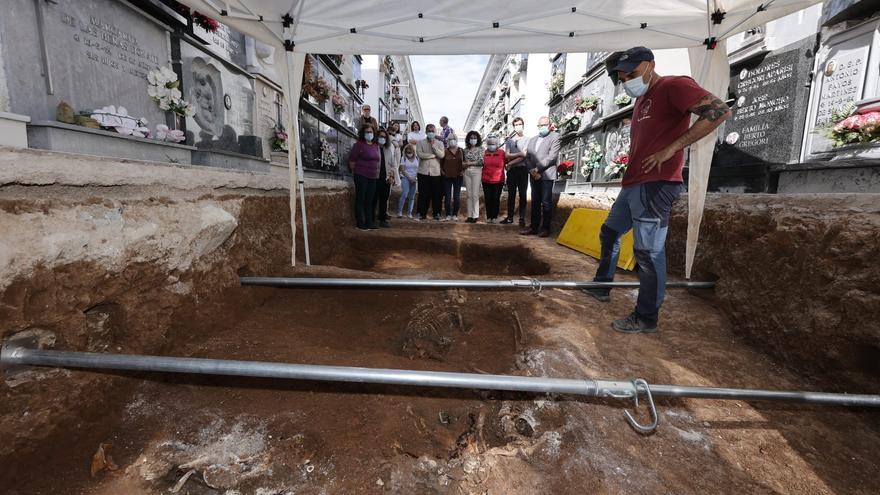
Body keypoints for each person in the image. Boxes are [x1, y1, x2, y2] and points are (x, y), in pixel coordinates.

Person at [585, 46, 731, 334]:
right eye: (623, 76)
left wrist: (673, 147)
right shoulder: (641, 100)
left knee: (648, 252)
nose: (627, 80)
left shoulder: (673, 85)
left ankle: (646, 316)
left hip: (657, 184)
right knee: (610, 232)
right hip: (633, 185)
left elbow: (719, 111)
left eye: (632, 73)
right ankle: (602, 286)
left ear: (650, 65)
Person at [521, 116, 560, 238]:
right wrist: (531, 171)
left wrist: (537, 169)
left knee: (546, 202)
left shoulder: (555, 137)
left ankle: (545, 228)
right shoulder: (532, 140)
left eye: (544, 125)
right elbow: (527, 157)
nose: (542, 127)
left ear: (549, 125)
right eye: (540, 125)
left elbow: (552, 156)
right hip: (533, 175)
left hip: (546, 175)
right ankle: (534, 227)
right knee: (535, 202)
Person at [348, 124, 381, 230]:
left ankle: (369, 222)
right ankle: (360, 222)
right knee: (361, 199)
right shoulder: (359, 145)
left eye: (371, 132)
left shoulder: (375, 146)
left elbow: (377, 160)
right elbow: (352, 160)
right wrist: (355, 172)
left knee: (369, 200)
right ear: (363, 133)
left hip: (373, 176)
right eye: (367, 132)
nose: (369, 134)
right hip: (361, 175)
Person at [502, 117, 529, 227]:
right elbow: (507, 155)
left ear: (523, 125)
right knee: (511, 195)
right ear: (513, 127)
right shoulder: (510, 141)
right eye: (516, 125)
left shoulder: (528, 140)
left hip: (522, 170)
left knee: (523, 194)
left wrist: (510, 163)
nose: (518, 126)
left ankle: (522, 218)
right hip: (512, 171)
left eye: (520, 124)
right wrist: (519, 154)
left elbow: (525, 156)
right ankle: (509, 217)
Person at [415, 123, 445, 220]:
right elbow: (420, 154)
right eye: (429, 131)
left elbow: (441, 155)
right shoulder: (420, 142)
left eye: (432, 131)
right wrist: (432, 156)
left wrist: (434, 146)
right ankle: (421, 213)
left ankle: (436, 213)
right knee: (423, 194)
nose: (431, 133)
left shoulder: (439, 143)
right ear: (426, 132)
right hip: (423, 172)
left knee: (436, 194)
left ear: (435, 132)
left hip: (435, 173)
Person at [373, 128, 400, 228]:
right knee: (373, 199)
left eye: (384, 137)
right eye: (380, 136)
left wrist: (392, 176)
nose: (382, 138)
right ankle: (372, 219)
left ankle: (382, 219)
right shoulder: (373, 148)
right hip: (374, 178)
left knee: (384, 199)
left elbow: (393, 164)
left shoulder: (388, 149)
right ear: (377, 137)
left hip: (386, 178)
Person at [481, 135, 506, 223]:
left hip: (498, 180)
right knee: (488, 198)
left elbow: (507, 163)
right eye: (490, 144)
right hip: (486, 180)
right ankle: (489, 217)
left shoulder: (502, 153)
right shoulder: (484, 153)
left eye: (493, 144)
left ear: (497, 144)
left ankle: (494, 217)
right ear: (487, 144)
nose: (492, 145)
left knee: (495, 198)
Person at [440, 134, 464, 221]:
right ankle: (448, 214)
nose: (452, 141)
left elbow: (464, 162)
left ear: (456, 140)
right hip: (447, 176)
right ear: (448, 141)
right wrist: (442, 171)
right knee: (448, 196)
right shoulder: (445, 151)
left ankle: (455, 214)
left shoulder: (461, 151)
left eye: (454, 139)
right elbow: (441, 163)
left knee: (456, 196)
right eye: (450, 139)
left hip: (458, 176)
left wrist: (463, 171)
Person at [462, 131, 484, 223]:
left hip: (476, 171)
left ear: (478, 139)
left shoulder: (481, 149)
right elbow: (463, 162)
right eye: (471, 138)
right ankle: (470, 215)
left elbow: (481, 162)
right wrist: (465, 165)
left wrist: (469, 163)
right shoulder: (465, 150)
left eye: (475, 138)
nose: (473, 140)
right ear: (468, 139)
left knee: (475, 194)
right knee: (469, 194)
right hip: (467, 172)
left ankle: (475, 215)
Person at [397, 144, 419, 218]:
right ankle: (399, 211)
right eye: (407, 152)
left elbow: (418, 169)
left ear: (413, 151)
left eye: (410, 152)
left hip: (414, 179)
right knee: (405, 193)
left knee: (412, 196)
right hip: (405, 177)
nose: (409, 154)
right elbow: (402, 170)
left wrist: (414, 178)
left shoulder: (417, 158)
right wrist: (409, 177)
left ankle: (409, 213)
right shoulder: (403, 158)